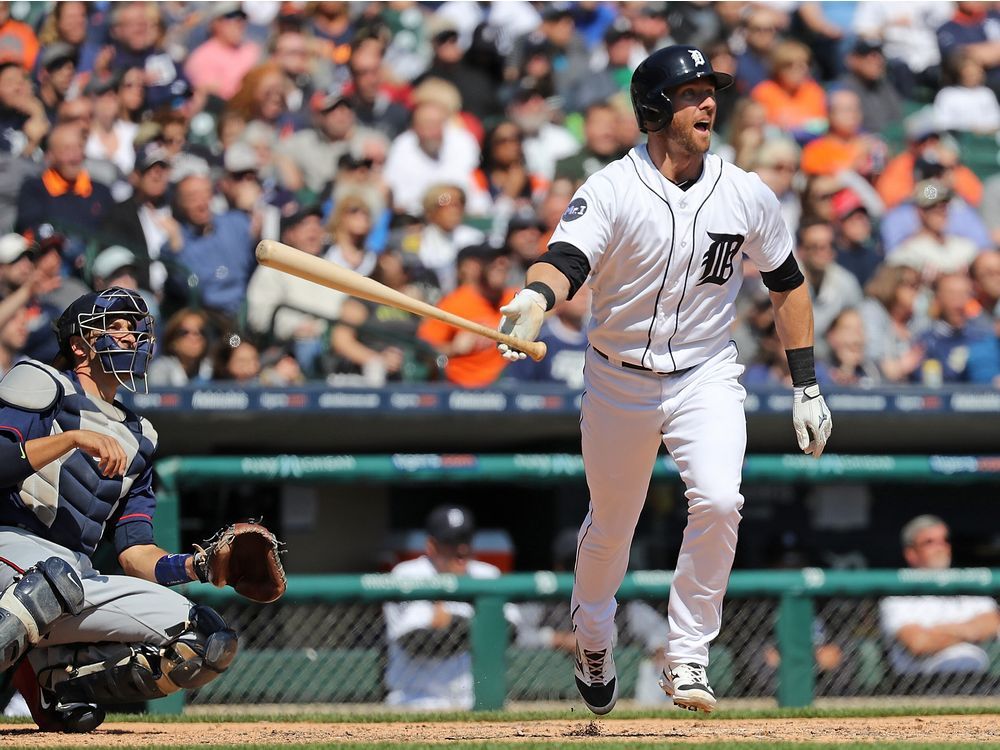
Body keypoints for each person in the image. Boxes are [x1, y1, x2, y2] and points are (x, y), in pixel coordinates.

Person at [496, 45, 832, 715]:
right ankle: (593, 634)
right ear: (654, 108)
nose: (709, 102)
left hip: (706, 372)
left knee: (720, 499)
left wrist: (806, 384)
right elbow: (564, 259)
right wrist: (535, 299)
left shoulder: (744, 191)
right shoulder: (612, 187)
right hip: (618, 379)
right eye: (690, 93)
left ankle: (687, 654)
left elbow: (788, 284)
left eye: (712, 91)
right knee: (611, 528)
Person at [0, 287, 239, 733]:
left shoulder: (141, 436)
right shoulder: (41, 379)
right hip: (9, 547)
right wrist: (71, 439)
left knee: (205, 640)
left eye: (135, 329)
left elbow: (134, 552)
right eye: (114, 327)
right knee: (54, 578)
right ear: (79, 345)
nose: (129, 337)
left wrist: (200, 565)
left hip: (70, 578)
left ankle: (56, 676)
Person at [383, 504, 519, 709]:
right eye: (451, 542)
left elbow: (510, 630)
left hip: (473, 700)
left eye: (466, 540)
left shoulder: (486, 574)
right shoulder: (408, 575)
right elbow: (417, 641)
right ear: (431, 546)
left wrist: (449, 623)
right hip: (415, 700)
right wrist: (480, 627)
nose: (462, 549)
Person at [880, 515, 1000, 676]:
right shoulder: (898, 594)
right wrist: (971, 632)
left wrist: (939, 632)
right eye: (930, 542)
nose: (940, 547)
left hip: (979, 682)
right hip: (920, 684)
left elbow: (992, 624)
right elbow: (918, 644)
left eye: (944, 540)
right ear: (911, 554)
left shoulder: (966, 580)